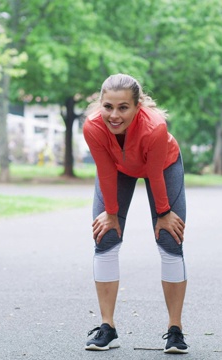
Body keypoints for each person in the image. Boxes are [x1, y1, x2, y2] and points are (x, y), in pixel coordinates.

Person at [82, 74, 188, 354]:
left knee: (169, 239)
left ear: (138, 105)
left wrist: (164, 213)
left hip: (163, 166)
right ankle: (107, 327)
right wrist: (111, 214)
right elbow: (105, 169)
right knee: (105, 237)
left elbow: (153, 173)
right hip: (119, 169)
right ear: (100, 104)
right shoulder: (93, 127)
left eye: (123, 108)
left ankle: (174, 330)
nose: (114, 115)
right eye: (108, 107)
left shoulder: (154, 127)